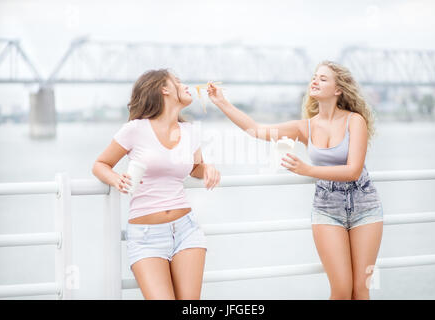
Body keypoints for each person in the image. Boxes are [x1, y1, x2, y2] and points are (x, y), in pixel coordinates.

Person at [207, 61, 383, 300]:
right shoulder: (304, 128)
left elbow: (353, 171)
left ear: (338, 89)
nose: (315, 81)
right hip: (327, 209)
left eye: (323, 78)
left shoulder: (355, 121)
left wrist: (307, 169)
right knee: (341, 290)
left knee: (361, 290)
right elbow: (257, 130)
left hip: (365, 207)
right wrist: (221, 102)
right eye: (314, 77)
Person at [92, 69, 221, 300]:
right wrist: (116, 179)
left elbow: (195, 168)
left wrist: (208, 168)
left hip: (186, 230)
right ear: (164, 89)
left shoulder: (190, 131)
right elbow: (101, 164)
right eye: (178, 82)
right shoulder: (135, 129)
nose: (186, 86)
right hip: (145, 236)